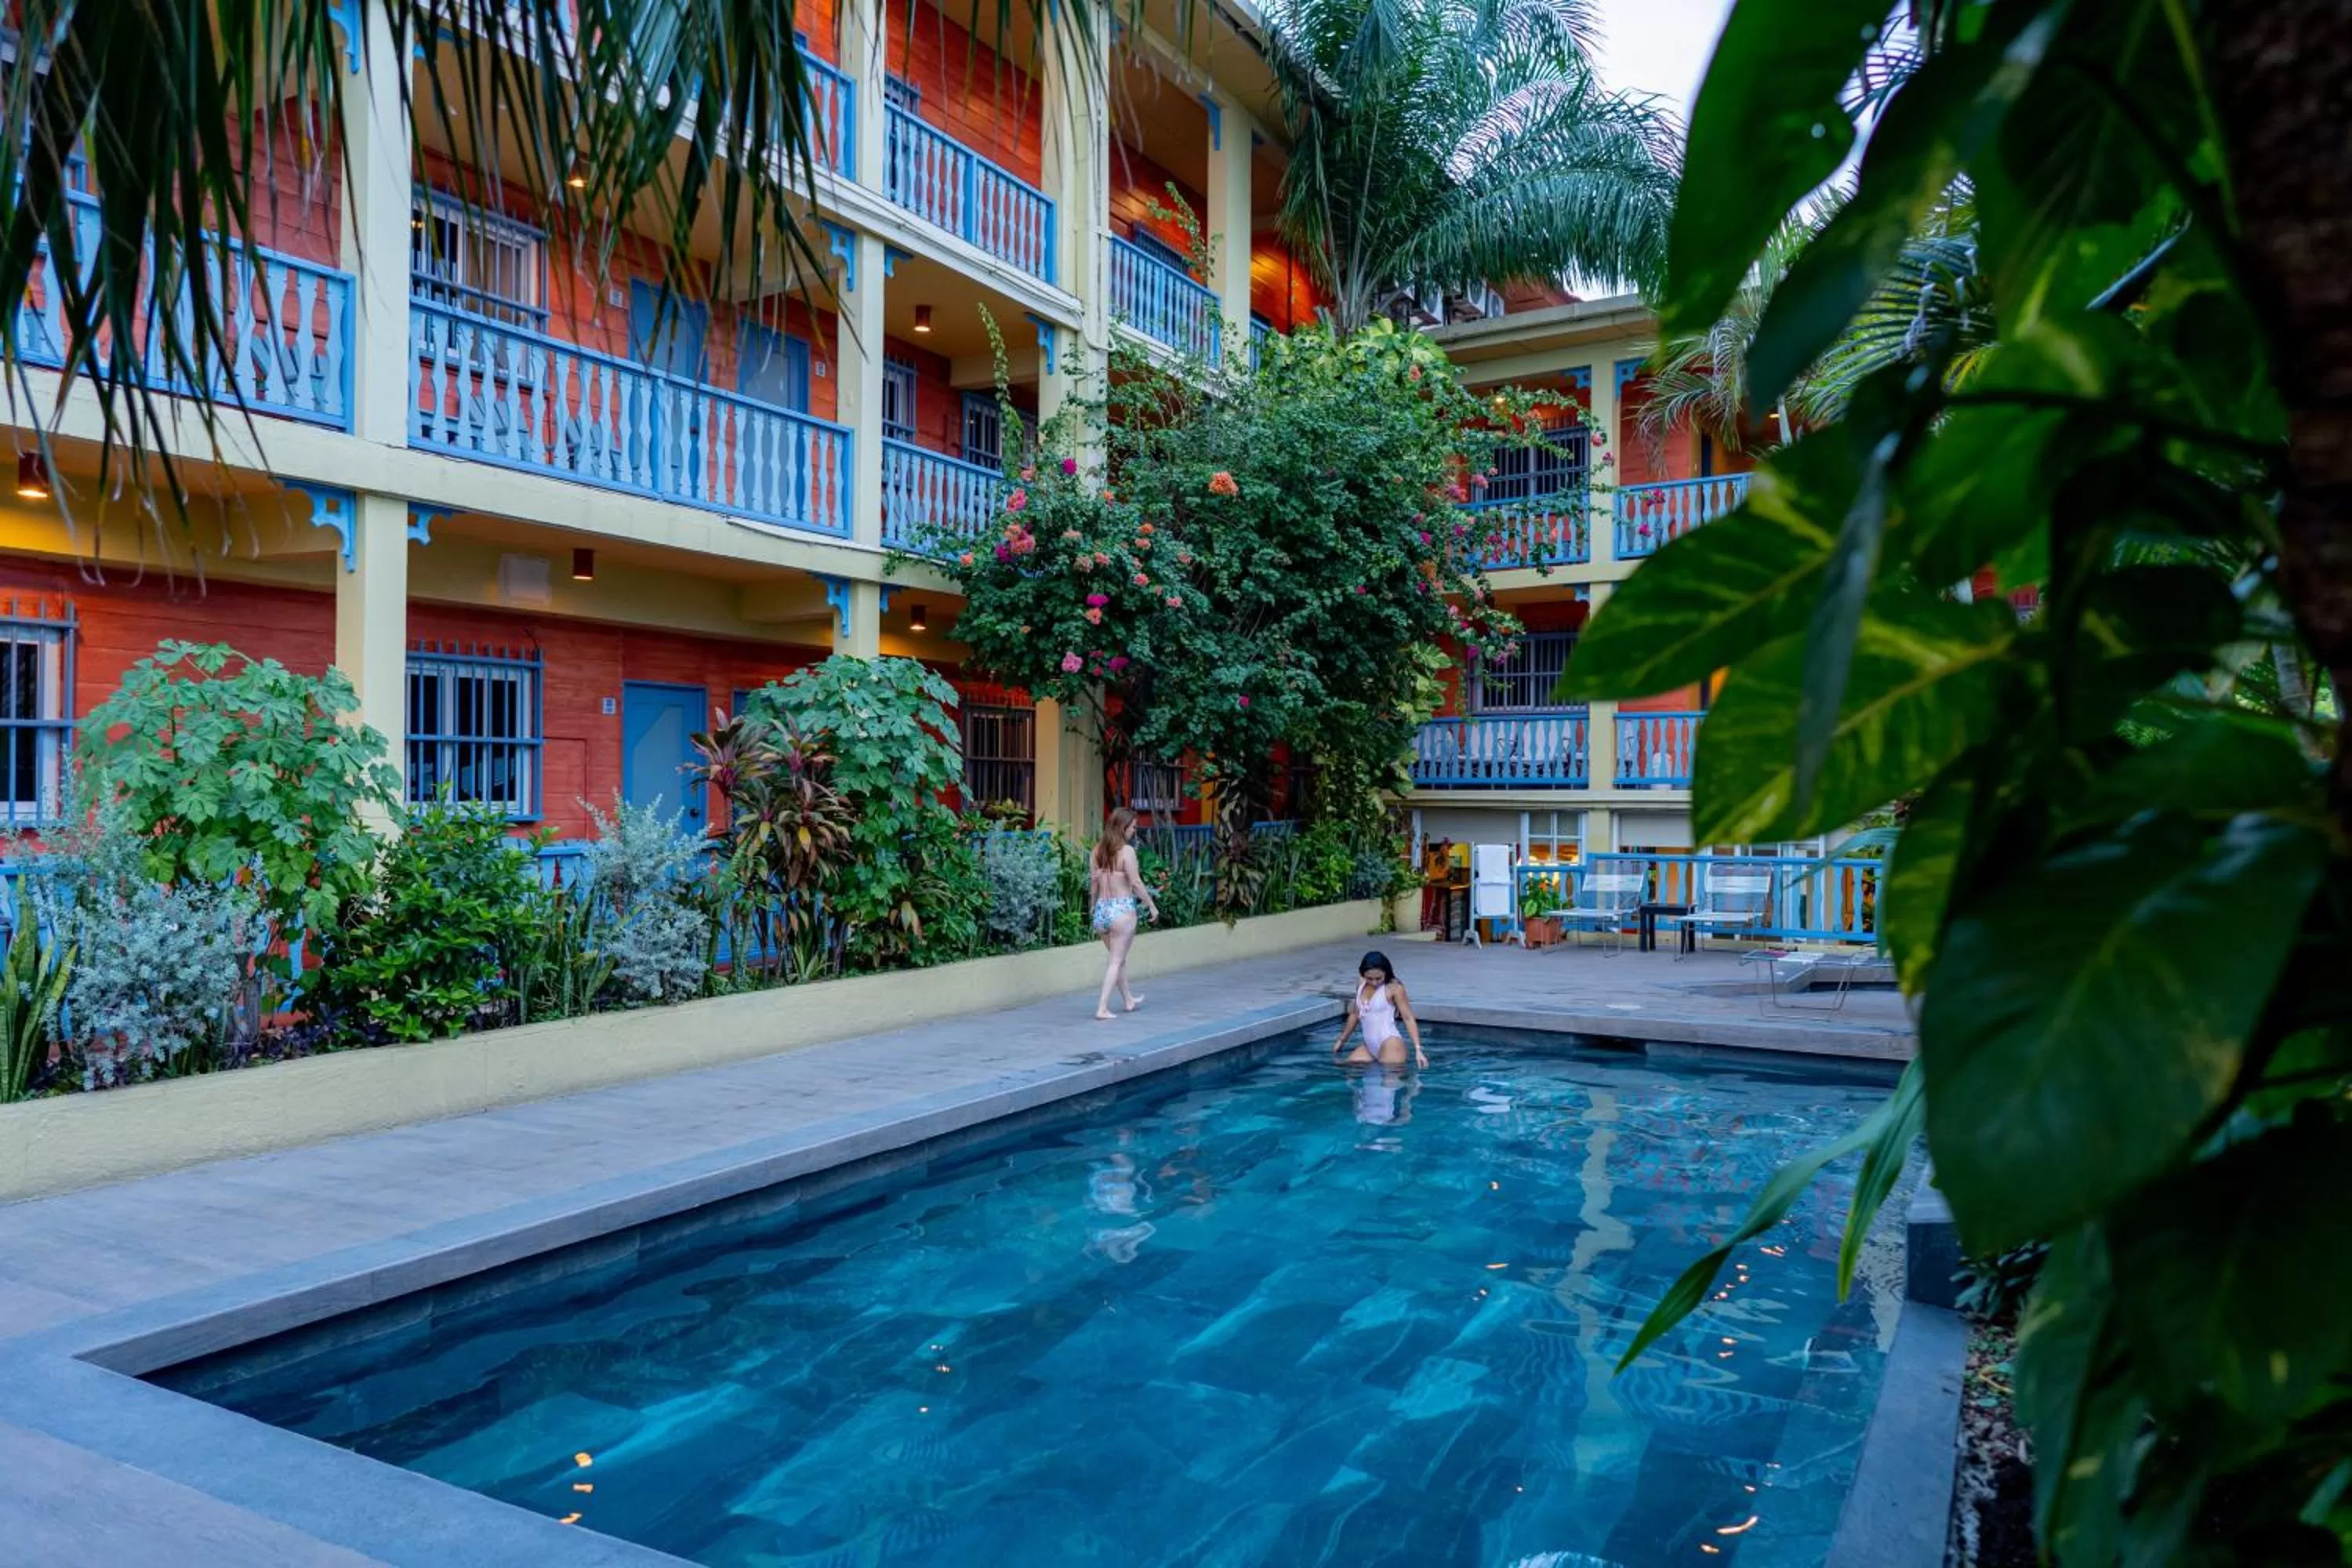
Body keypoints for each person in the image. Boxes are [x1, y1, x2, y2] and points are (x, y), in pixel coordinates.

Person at [1090, 807, 1160, 1020]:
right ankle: (1102, 1008)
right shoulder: (1127, 851)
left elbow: (1093, 884)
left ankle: (1128, 1000)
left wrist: (1092, 906)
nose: (1134, 832)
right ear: (1123, 827)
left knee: (1118, 959)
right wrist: (1151, 905)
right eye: (1133, 828)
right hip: (1121, 910)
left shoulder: (1097, 850)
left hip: (1102, 910)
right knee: (1115, 961)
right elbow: (1136, 883)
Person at [1332, 951, 1425, 1068]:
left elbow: (1408, 1018)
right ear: (1363, 974)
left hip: (1391, 1044)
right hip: (1369, 1047)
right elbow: (1355, 1014)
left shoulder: (1394, 988)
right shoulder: (1361, 984)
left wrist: (1418, 1049)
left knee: (1385, 1081)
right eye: (1369, 978)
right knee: (1345, 1068)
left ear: (1386, 972)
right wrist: (1341, 1041)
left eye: (1378, 978)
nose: (1374, 982)